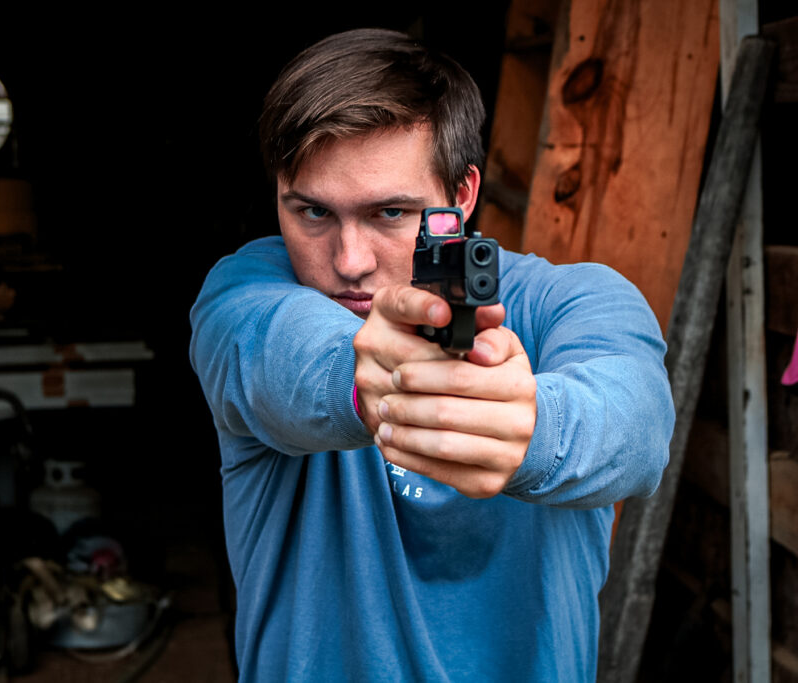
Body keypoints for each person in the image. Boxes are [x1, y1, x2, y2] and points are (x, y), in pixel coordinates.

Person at [189, 28, 673, 681]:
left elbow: (637, 424)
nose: (349, 261)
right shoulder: (243, 293)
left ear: (461, 196)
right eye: (313, 213)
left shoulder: (575, 301)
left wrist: (530, 429)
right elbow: (273, 350)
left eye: (390, 212)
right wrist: (363, 378)